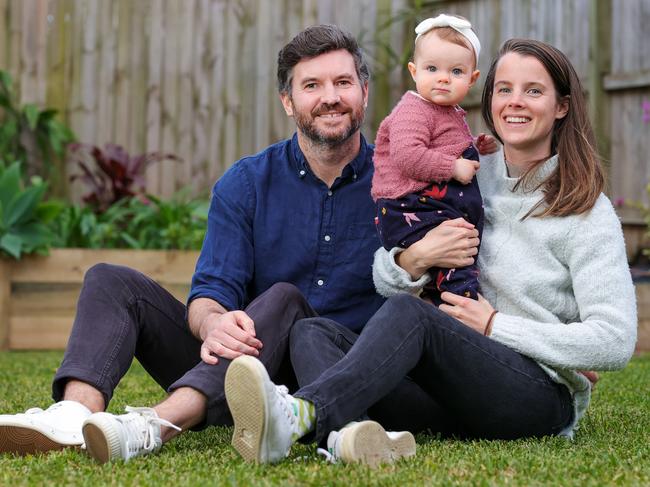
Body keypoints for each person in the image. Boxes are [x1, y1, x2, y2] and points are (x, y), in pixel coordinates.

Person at [0, 24, 418, 465]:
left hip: (343, 373)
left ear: (364, 93)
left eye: (342, 82)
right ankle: (73, 415)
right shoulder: (246, 183)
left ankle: (156, 425)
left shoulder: (403, 185)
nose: (330, 97)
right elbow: (209, 293)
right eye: (312, 85)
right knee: (109, 279)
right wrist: (216, 324)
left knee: (286, 302)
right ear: (288, 102)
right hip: (241, 373)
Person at [224, 38, 637, 465]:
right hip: (453, 391)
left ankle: (302, 413)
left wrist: (495, 325)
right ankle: (346, 437)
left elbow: (615, 340)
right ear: (488, 97)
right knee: (312, 331)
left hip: (535, 397)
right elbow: (386, 276)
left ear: (562, 106)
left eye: (533, 91)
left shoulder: (585, 210)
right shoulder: (468, 172)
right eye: (504, 89)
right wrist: (412, 259)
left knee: (413, 314)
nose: (516, 102)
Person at [373, 13, 487, 305]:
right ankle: (462, 303)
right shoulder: (413, 110)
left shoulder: (445, 111)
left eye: (456, 72)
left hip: (429, 204)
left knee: (456, 250)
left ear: (472, 79)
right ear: (414, 71)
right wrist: (453, 167)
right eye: (432, 68)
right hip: (409, 205)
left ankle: (445, 299)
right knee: (456, 252)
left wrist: (475, 146)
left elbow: (443, 144)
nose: (443, 78)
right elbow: (408, 155)